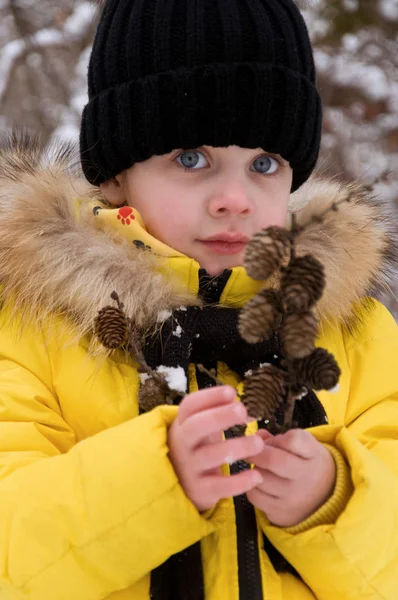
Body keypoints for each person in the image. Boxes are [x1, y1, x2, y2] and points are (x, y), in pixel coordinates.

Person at [0, 0, 397, 598]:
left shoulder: (351, 330)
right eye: (192, 159)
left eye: (264, 163)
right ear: (115, 174)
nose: (235, 199)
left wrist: (336, 500)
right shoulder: (37, 324)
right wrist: (154, 481)